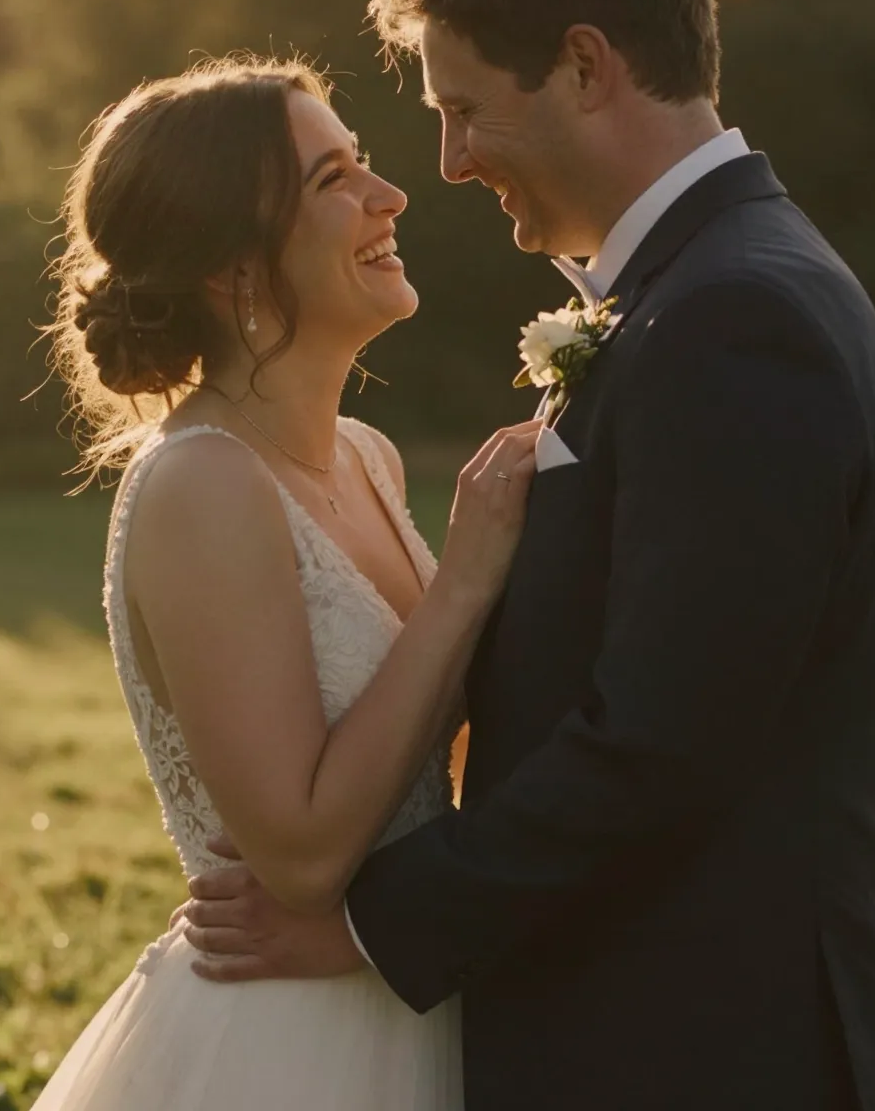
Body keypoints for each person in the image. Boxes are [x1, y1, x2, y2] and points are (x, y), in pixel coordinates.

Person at [180, 0, 875, 1111]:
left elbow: (663, 745)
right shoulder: (700, 290)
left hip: (706, 1041)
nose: (452, 164)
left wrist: (368, 929)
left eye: (465, 110)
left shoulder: (736, 317)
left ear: (586, 66)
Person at [32, 55, 539, 1110]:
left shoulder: (366, 454)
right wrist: (468, 581)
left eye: (363, 164)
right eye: (333, 181)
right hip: (291, 1045)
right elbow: (302, 857)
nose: (389, 195)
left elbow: (434, 749)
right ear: (237, 271)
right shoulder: (202, 486)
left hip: (414, 986)